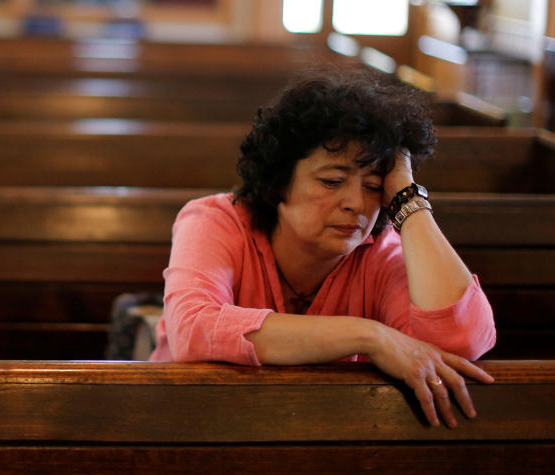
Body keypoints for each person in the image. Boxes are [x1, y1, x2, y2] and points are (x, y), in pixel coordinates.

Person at [150, 67, 497, 428]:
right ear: (278, 181)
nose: (356, 204)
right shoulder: (216, 220)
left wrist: (407, 200)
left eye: (374, 185)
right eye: (332, 181)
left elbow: (461, 343)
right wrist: (371, 336)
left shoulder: (380, 250)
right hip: (187, 421)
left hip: (326, 436)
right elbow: (193, 328)